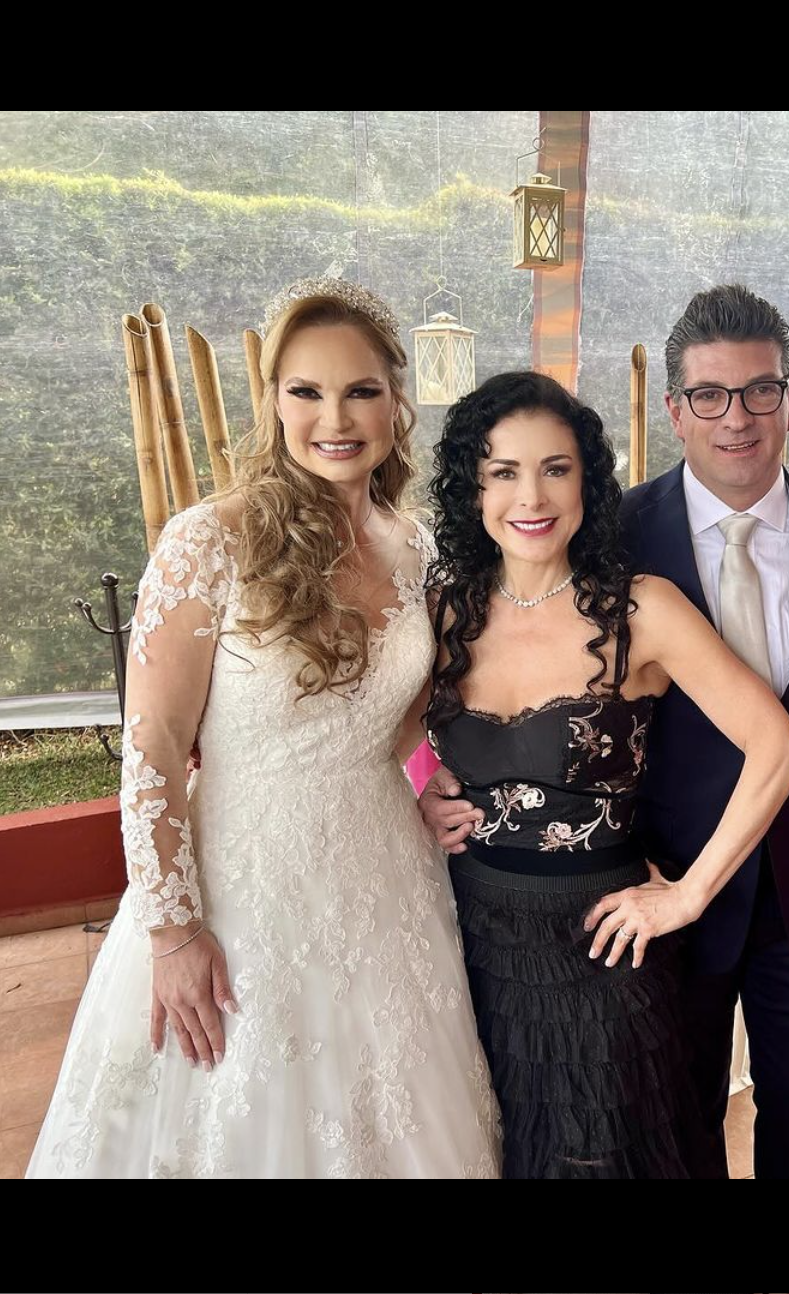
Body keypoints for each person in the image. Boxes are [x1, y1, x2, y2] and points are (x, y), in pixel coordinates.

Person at [29, 279, 499, 1177]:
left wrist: (428, 778)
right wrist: (172, 932)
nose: (336, 418)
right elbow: (154, 747)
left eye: (361, 391)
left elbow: (399, 719)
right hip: (243, 895)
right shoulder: (207, 543)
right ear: (274, 399)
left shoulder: (421, 548)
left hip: (388, 885)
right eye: (306, 390)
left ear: (396, 403)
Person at [426, 284, 789, 1179]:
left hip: (735, 892)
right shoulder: (457, 607)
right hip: (502, 926)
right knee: (622, 1125)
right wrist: (423, 787)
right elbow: (376, 726)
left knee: (783, 1112)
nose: (736, 416)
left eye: (759, 391)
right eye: (503, 472)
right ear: (676, 410)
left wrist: (687, 894)